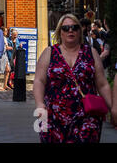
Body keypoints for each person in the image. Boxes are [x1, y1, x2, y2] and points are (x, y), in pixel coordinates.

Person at [33, 14, 112, 143]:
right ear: (60, 32)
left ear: (80, 31)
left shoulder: (91, 53)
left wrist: (112, 108)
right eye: (66, 28)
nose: (70, 30)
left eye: (74, 27)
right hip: (54, 117)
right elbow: (39, 81)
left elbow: (102, 84)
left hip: (87, 116)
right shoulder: (49, 53)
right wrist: (40, 105)